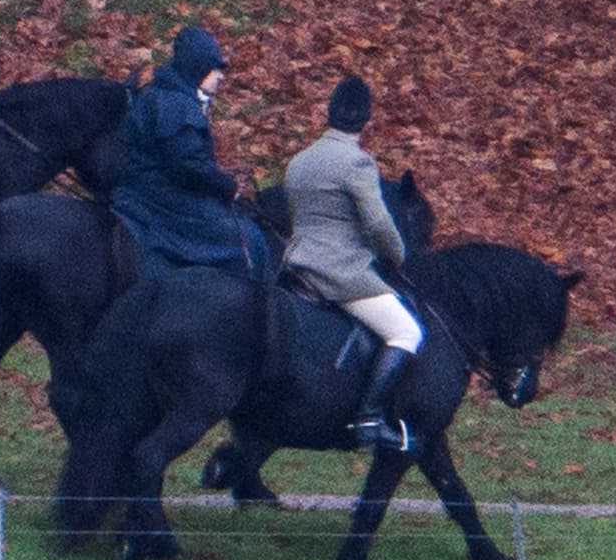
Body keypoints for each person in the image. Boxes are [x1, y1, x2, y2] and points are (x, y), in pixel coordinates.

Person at [282, 76, 423, 452]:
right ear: (366, 121)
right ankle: (370, 420)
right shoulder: (357, 163)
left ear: (327, 115)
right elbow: (377, 222)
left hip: (296, 266)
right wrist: (397, 256)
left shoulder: (300, 161)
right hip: (338, 272)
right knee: (406, 332)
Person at [112, 26, 267, 279]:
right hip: (159, 198)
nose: (221, 76)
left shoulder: (164, 95)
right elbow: (186, 166)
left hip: (146, 190)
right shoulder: (176, 104)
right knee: (248, 239)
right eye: (215, 68)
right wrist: (228, 187)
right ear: (198, 68)